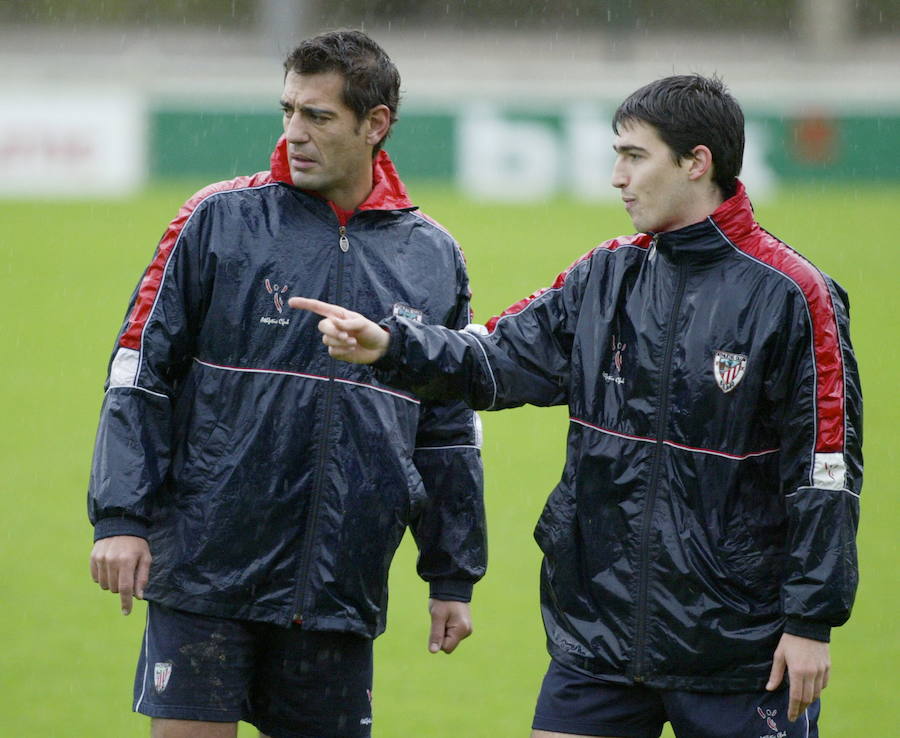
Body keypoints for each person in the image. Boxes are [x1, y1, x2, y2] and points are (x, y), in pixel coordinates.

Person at [291, 75, 862, 738]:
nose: (616, 177)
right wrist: (391, 344)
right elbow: (494, 359)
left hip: (737, 645)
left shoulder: (795, 294)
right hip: (599, 633)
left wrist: (809, 622)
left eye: (633, 156)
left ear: (696, 162)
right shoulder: (603, 276)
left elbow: (825, 468)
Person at [87, 29, 486, 738]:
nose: (293, 132)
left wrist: (451, 574)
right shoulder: (216, 218)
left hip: (338, 581)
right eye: (288, 110)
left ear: (376, 125)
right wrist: (122, 517)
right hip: (206, 568)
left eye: (318, 116)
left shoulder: (434, 256)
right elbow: (139, 372)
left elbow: (448, 426)